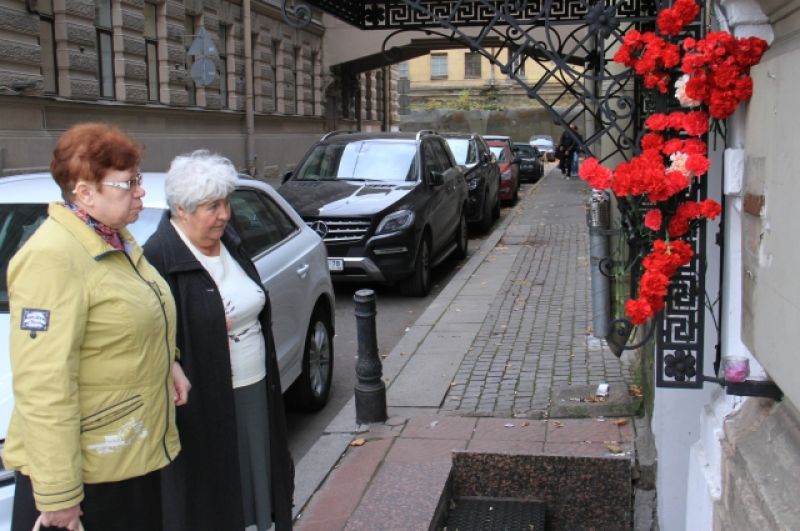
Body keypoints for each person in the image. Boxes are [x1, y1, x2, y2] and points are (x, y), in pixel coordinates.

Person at [5, 122, 190, 531]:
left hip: (126, 452)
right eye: (127, 183)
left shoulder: (113, 239)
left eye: (138, 179)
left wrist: (169, 363)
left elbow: (131, 322)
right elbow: (43, 385)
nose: (140, 190)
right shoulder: (53, 257)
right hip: (89, 477)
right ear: (84, 192)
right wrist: (58, 498)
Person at [143, 150, 294, 531]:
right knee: (219, 491)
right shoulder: (160, 257)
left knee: (260, 477)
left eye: (226, 203)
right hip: (206, 403)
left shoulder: (230, 240)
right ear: (182, 208)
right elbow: (159, 338)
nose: (224, 215)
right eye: (212, 207)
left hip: (254, 384)